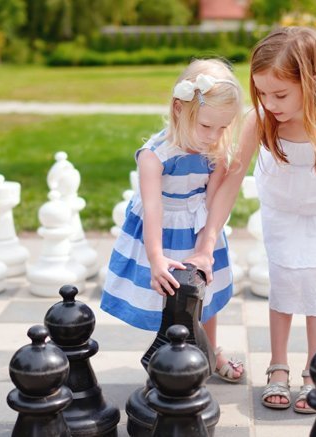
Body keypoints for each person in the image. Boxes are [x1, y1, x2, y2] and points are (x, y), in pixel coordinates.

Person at [188, 26, 316, 413]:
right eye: (262, 92)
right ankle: (277, 366)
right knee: (282, 279)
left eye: (280, 94)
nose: (269, 102)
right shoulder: (262, 120)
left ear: (311, 82)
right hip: (281, 210)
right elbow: (232, 179)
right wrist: (209, 237)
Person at [101, 58, 245, 383]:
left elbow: (212, 205)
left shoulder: (216, 151)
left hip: (199, 230)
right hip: (160, 236)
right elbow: (153, 209)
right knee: (166, 303)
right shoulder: (154, 156)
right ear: (180, 109)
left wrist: (204, 249)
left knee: (202, 298)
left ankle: (210, 352)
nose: (214, 136)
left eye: (223, 127)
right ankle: (171, 358)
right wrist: (156, 258)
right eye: (207, 126)